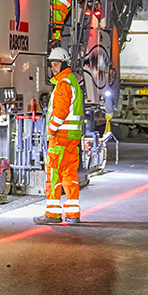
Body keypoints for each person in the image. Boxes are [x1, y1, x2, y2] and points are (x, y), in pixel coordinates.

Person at [35, 47, 84, 225]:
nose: (53, 67)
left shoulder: (63, 84)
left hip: (61, 137)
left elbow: (61, 112)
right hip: (72, 138)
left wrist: (51, 130)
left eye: (55, 63)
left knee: (53, 174)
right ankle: (73, 214)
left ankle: (53, 214)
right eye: (52, 63)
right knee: (70, 175)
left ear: (64, 63)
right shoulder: (72, 81)